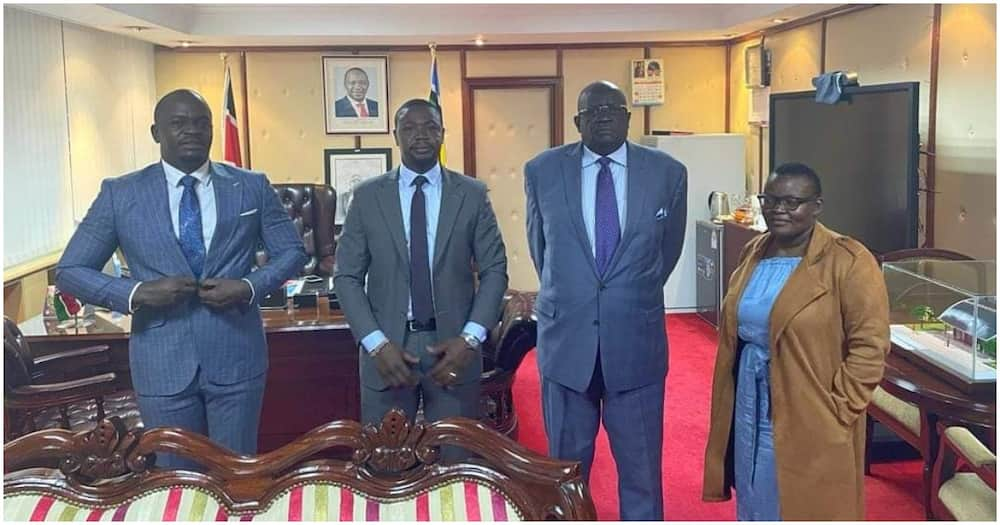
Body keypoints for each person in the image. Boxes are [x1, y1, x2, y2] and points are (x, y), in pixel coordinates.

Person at [56, 89, 306, 465]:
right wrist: (138, 293)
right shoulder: (120, 194)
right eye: (178, 123)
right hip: (161, 359)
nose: (192, 130)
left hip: (236, 354)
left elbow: (292, 252)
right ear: (156, 133)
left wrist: (248, 286)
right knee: (176, 482)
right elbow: (70, 271)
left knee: (236, 475)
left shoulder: (250, 186)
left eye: (201, 123)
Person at [524, 80, 687, 520]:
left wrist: (623, 295)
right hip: (566, 345)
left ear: (629, 117)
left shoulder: (667, 173)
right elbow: (542, 250)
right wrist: (577, 292)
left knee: (641, 474)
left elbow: (665, 253)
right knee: (565, 474)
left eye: (612, 108)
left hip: (636, 343)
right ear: (577, 122)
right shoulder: (541, 170)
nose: (602, 117)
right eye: (591, 111)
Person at [702, 162, 890, 520]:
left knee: (805, 502)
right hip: (750, 400)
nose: (778, 210)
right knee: (757, 492)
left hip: (812, 407)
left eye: (792, 202)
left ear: (816, 206)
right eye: (770, 200)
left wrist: (839, 407)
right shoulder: (755, 252)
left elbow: (871, 346)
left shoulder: (848, 261)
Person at [334, 99, 508, 436]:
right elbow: (346, 276)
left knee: (456, 466)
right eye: (409, 128)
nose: (421, 135)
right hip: (387, 354)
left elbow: (495, 270)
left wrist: (471, 339)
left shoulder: (471, 195)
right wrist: (375, 344)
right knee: (387, 469)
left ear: (443, 134)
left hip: (454, 351)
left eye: (430, 126)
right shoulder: (367, 197)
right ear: (395, 136)